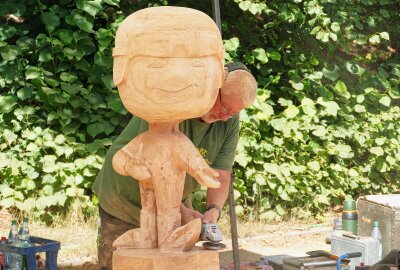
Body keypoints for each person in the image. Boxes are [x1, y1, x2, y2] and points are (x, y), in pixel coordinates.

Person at [93, 61, 257, 269]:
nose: (224, 117)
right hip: (125, 197)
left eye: (232, 113)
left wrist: (212, 214)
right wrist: (179, 211)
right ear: (211, 89)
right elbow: (150, 163)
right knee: (121, 264)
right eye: (224, 107)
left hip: (171, 202)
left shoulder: (228, 122)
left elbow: (220, 175)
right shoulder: (172, 105)